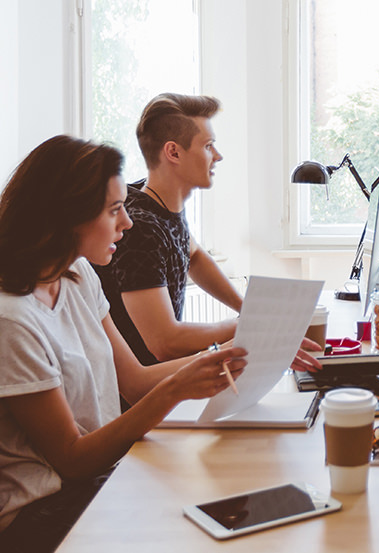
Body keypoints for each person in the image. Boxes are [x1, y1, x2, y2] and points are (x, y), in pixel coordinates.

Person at [0, 136, 249, 552]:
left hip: (97, 479)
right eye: (114, 210)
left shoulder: (76, 275)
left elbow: (133, 381)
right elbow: (72, 458)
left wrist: (232, 353)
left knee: (217, 495)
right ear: (67, 216)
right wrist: (176, 388)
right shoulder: (13, 319)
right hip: (41, 513)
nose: (127, 223)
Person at [94, 93, 321, 368]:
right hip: (146, 396)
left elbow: (195, 256)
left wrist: (248, 308)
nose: (218, 156)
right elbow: (165, 343)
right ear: (173, 152)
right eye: (208, 146)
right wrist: (251, 325)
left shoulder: (159, 201)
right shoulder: (141, 230)